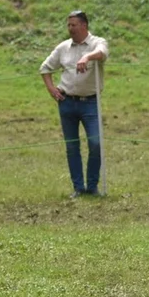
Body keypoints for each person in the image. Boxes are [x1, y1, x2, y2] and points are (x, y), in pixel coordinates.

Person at [39, 10, 109, 198]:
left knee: (95, 143)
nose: (70, 29)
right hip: (67, 102)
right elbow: (45, 68)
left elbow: (102, 53)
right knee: (72, 146)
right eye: (68, 25)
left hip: (90, 103)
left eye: (73, 25)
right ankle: (78, 187)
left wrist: (87, 57)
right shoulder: (63, 47)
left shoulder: (97, 42)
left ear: (84, 26)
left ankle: (92, 186)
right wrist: (51, 89)